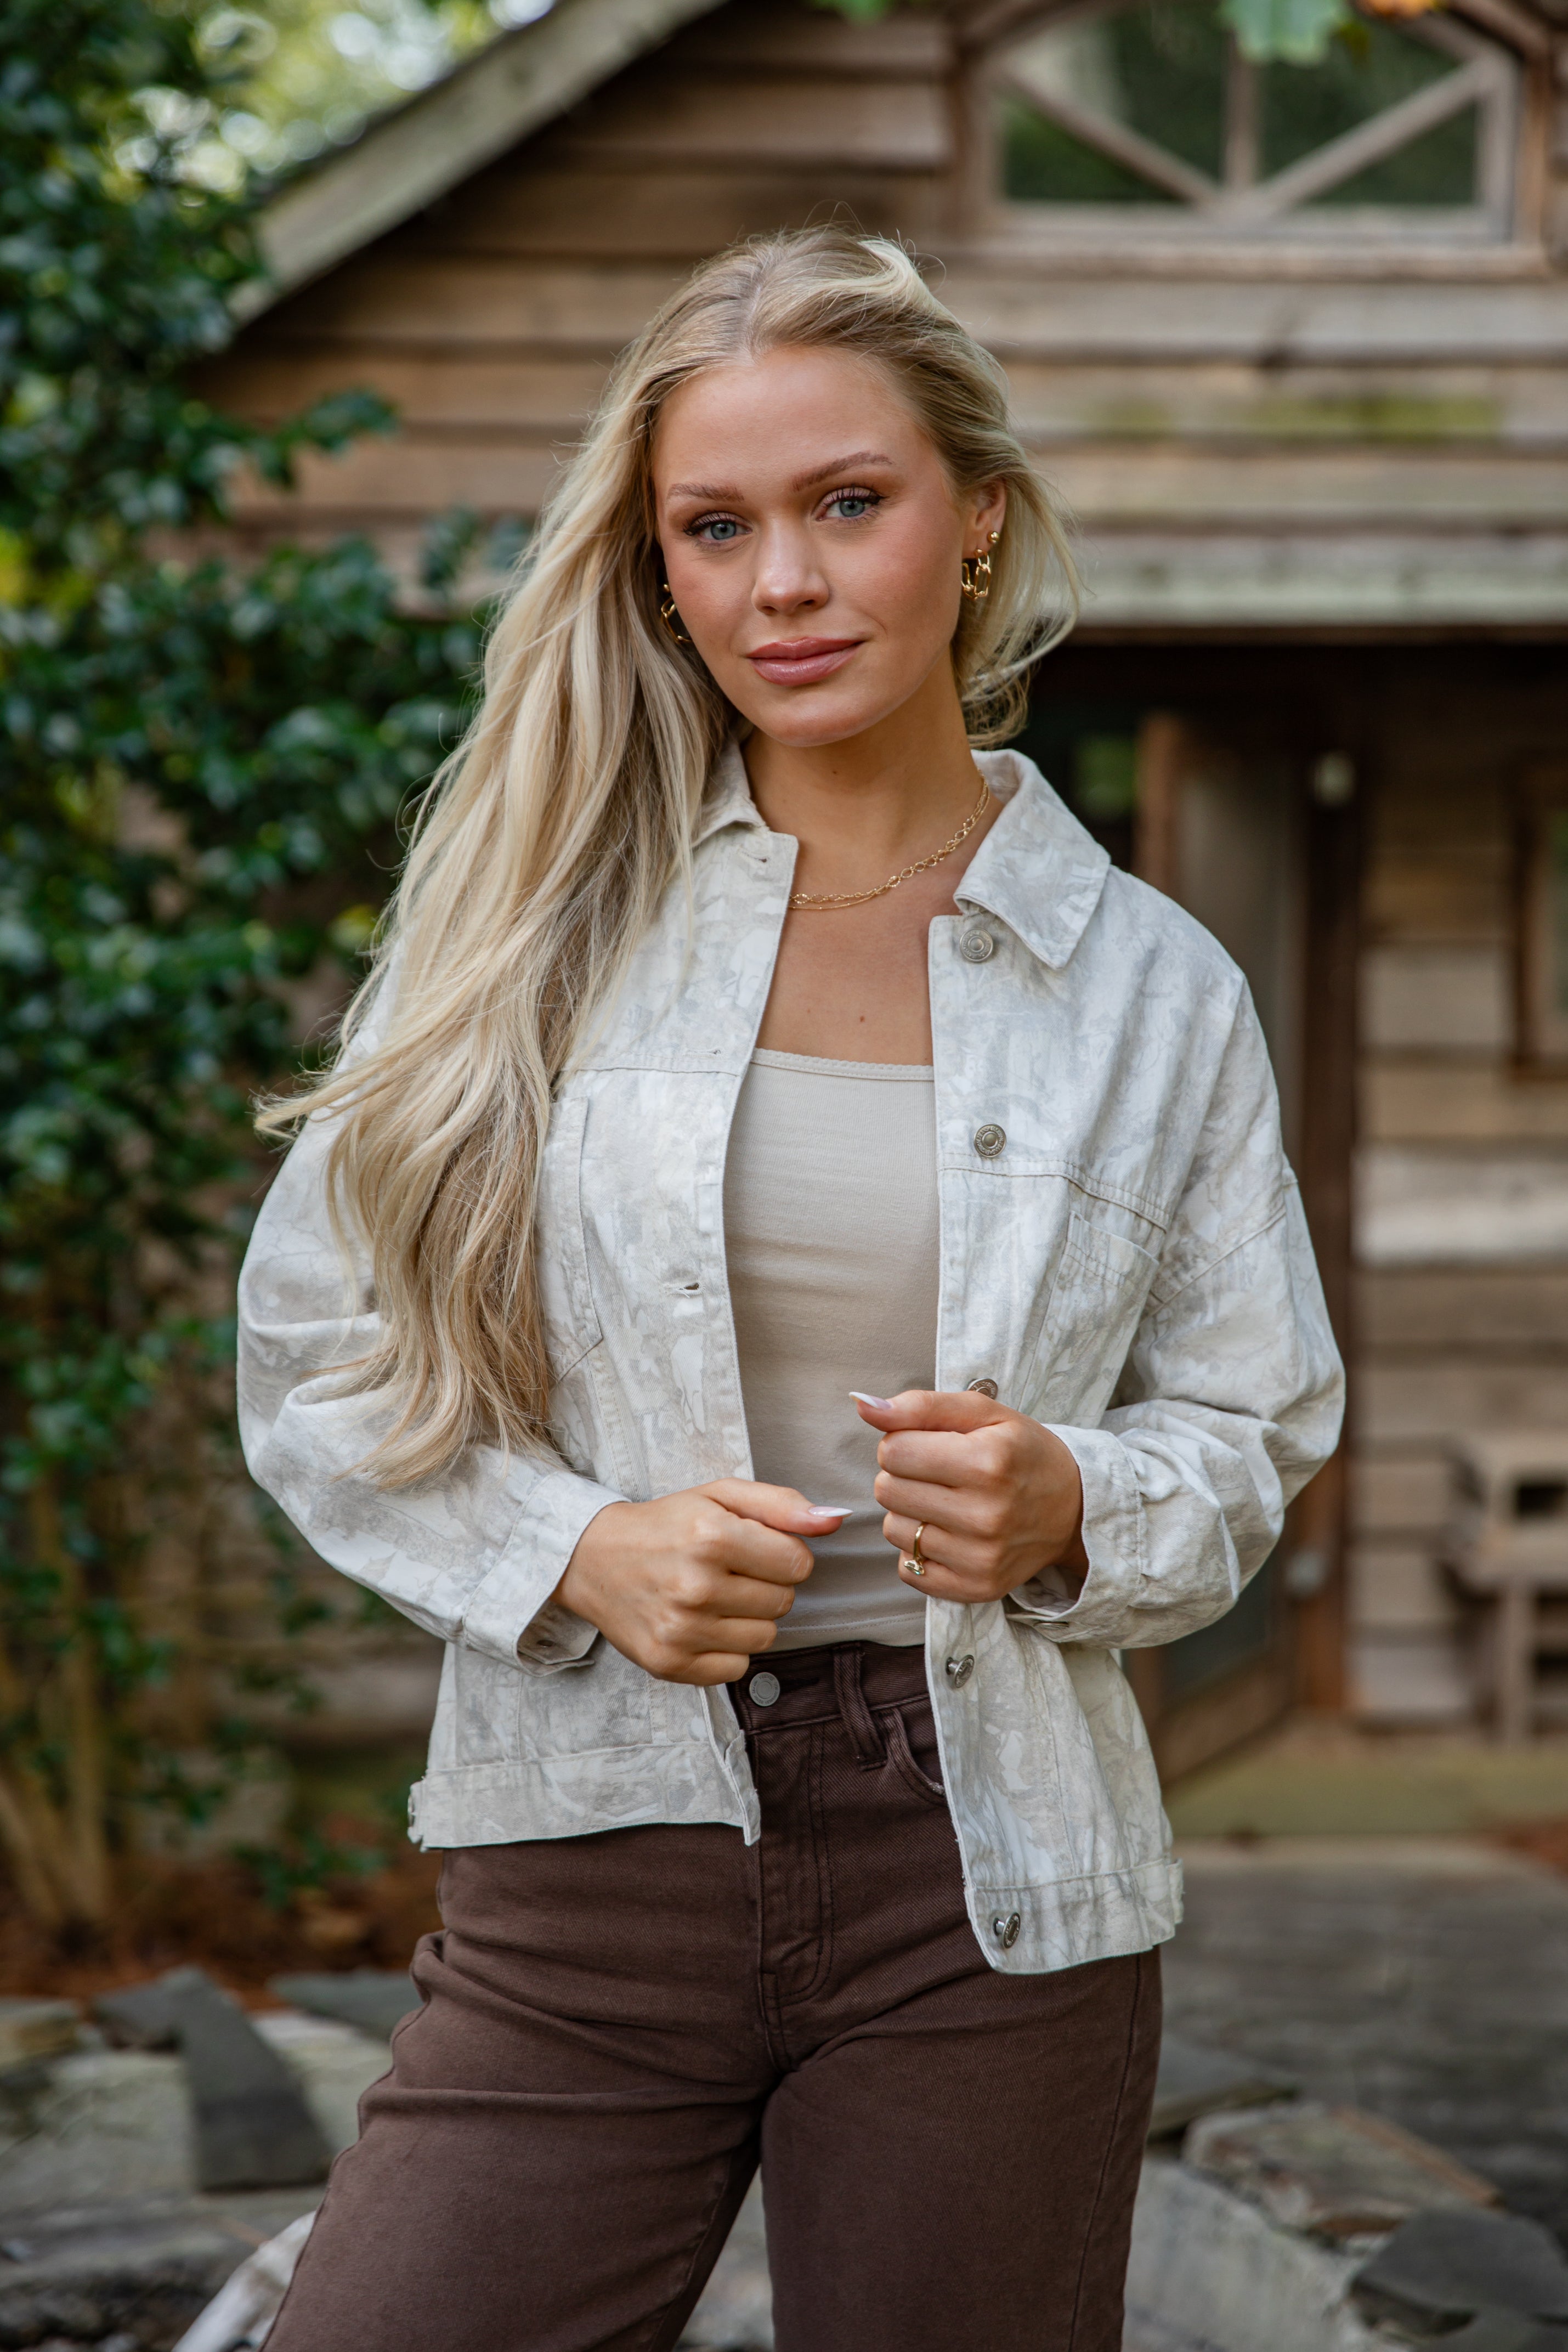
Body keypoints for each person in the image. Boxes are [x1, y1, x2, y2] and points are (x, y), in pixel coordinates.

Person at [239, 226, 1343, 2352]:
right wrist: (579, 1550)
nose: (785, 585)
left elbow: (1250, 1422)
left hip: (991, 1879)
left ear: (976, 515)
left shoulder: (1153, 990)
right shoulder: (534, 931)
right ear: (657, 568)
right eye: (716, 527)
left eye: (849, 502)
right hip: (594, 1849)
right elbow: (316, 1356)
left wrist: (1072, 1505)